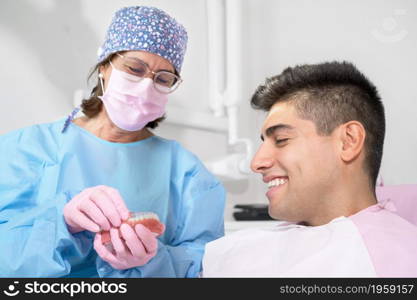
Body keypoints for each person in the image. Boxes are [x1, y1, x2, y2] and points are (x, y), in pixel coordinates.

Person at [0, 6, 225, 278]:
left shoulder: (188, 174)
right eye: (134, 68)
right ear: (105, 66)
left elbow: (205, 264)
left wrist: (150, 260)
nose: (145, 86)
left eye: (163, 78)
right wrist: (61, 222)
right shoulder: (27, 149)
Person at [202, 61, 417, 277]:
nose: (256, 163)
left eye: (281, 139)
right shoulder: (245, 250)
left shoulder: (395, 262)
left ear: (348, 141)